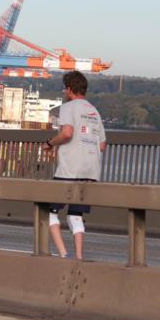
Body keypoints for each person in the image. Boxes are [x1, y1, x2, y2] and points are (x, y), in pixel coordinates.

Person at [44, 70, 107, 260]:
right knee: (75, 215)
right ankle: (79, 256)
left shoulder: (68, 107)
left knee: (50, 212)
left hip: (69, 169)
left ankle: (63, 254)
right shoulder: (94, 111)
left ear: (69, 89)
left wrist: (49, 143)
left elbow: (67, 133)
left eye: (65, 89)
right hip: (91, 170)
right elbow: (102, 145)